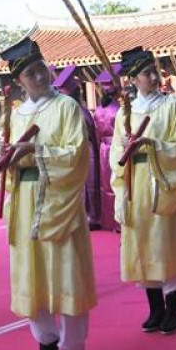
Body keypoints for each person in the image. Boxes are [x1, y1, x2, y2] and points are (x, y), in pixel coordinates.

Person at [1, 37, 96, 350]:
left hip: (59, 200)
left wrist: (35, 150)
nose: (37, 76)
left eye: (40, 69)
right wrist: (11, 160)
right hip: (26, 204)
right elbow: (14, 162)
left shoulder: (67, 107)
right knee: (33, 278)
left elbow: (75, 155)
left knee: (66, 277)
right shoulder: (16, 113)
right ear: (19, 82)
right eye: (29, 73)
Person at [112, 47, 176, 334]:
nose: (153, 76)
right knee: (143, 244)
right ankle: (155, 307)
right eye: (146, 73)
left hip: (161, 181)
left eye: (154, 71)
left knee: (166, 242)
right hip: (136, 184)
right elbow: (115, 154)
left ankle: (172, 307)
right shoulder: (125, 113)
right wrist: (121, 188)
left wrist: (154, 146)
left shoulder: (171, 106)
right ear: (133, 79)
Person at [53, 69, 104, 230]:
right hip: (83, 150)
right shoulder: (79, 111)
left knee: (88, 185)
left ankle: (91, 215)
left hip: (85, 151)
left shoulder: (78, 112)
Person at [93, 73, 122, 232]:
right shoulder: (118, 110)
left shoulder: (98, 110)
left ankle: (108, 220)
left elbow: (96, 132)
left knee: (105, 185)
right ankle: (118, 221)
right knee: (118, 181)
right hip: (115, 147)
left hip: (102, 148)